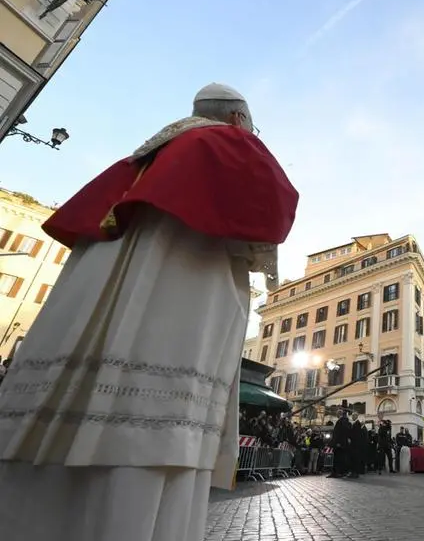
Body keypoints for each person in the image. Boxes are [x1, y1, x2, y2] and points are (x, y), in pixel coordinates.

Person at [0, 83, 298, 541]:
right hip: (180, 285)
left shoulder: (147, 157)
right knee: (152, 433)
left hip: (100, 290)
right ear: (239, 121)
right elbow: (276, 207)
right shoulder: (228, 145)